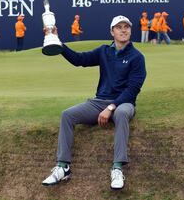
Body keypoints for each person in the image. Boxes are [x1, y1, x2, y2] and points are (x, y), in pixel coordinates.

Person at [41, 15, 147, 190]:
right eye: (119, 27)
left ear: (130, 30)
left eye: (126, 27)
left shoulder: (137, 57)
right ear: (112, 31)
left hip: (124, 103)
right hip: (99, 102)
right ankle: (63, 166)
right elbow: (79, 60)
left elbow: (132, 89)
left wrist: (111, 107)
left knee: (120, 114)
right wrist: (57, 41)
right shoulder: (104, 51)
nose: (123, 30)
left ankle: (117, 168)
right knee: (67, 115)